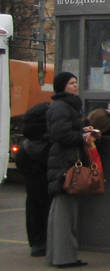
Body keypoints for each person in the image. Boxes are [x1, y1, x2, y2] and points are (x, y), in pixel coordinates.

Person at [45, 72, 98, 268]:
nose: (75, 86)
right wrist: (83, 136)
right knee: (65, 212)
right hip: (65, 162)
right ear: (62, 86)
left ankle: (58, 256)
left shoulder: (64, 105)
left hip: (62, 161)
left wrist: (82, 130)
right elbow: (62, 135)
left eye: (76, 82)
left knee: (61, 210)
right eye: (71, 83)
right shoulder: (62, 106)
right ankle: (64, 257)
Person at [15, 101, 51, 257]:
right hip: (37, 164)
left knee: (33, 201)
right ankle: (44, 241)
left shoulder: (32, 140)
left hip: (26, 158)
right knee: (44, 202)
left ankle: (37, 242)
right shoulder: (46, 143)